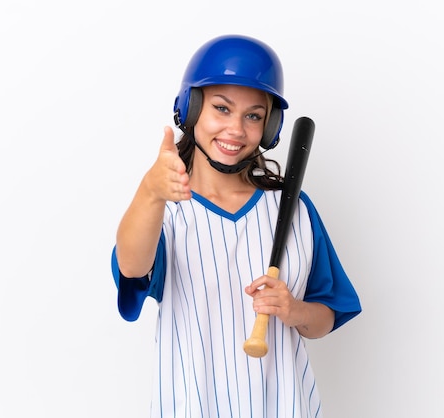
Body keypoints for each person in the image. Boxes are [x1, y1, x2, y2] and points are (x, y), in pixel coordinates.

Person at [111, 34, 361, 417]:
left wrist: (294, 311)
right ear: (191, 108)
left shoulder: (292, 209)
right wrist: (150, 192)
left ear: (270, 125)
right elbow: (132, 267)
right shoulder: (166, 208)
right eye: (221, 109)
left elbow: (326, 316)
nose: (236, 130)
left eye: (253, 116)